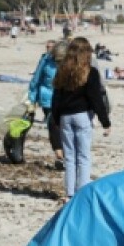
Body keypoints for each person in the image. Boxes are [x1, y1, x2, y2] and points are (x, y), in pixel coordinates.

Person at [51, 37, 111, 201]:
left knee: (69, 157)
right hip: (82, 116)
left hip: (65, 117)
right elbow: (96, 99)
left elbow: (56, 98)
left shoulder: (62, 71)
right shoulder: (90, 72)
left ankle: (69, 193)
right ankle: (81, 193)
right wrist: (105, 122)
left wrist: (56, 118)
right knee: (83, 157)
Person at [28, 40, 68, 166]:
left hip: (66, 98)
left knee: (66, 127)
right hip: (48, 98)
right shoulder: (46, 60)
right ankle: (59, 156)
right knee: (53, 125)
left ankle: (67, 154)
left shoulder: (72, 61)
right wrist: (32, 100)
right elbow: (36, 80)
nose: (58, 63)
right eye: (57, 60)